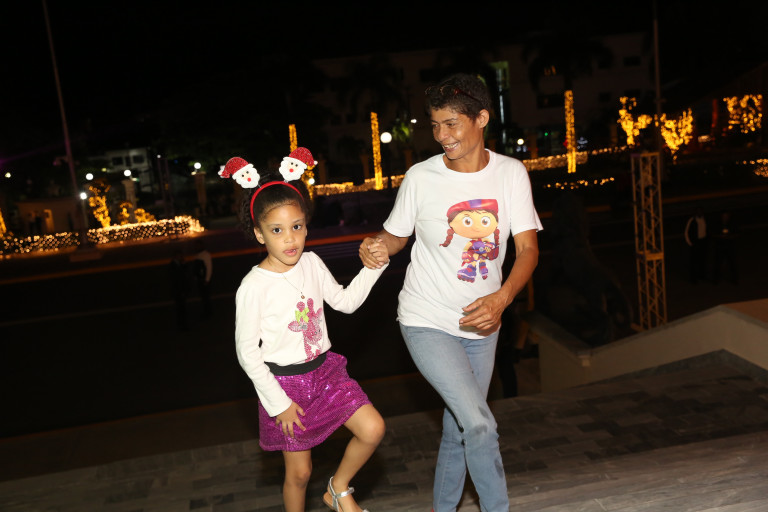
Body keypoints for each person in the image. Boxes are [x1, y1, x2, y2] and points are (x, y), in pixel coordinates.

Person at [359, 73, 542, 512]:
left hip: (483, 326)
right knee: (479, 424)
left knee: (459, 427)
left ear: (481, 118)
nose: (441, 135)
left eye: (451, 124)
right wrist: (375, 246)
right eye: (435, 125)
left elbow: (528, 250)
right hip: (427, 319)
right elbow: (396, 235)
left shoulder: (511, 174)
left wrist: (501, 299)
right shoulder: (421, 177)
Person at [225, 153, 389, 512]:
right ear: (259, 233)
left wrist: (374, 267)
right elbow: (247, 353)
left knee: (373, 428)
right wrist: (279, 404)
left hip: (326, 373)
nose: (290, 239)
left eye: (297, 226)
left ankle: (338, 488)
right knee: (299, 474)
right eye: (277, 230)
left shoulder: (312, 263)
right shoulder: (253, 286)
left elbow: (345, 302)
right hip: (286, 388)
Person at [712, 210, 739, 285]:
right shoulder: (717, 224)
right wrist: (721, 237)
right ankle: (716, 279)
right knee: (717, 264)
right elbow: (713, 234)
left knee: (732, 264)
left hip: (730, 247)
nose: (725, 218)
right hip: (720, 247)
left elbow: (737, 233)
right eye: (724, 216)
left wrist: (730, 237)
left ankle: (734, 279)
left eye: (726, 216)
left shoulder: (732, 224)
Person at [684, 207, 708, 284]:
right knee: (694, 261)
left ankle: (702, 275)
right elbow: (686, 232)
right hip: (695, 242)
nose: (700, 213)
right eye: (698, 211)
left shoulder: (704, 219)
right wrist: (690, 243)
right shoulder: (692, 220)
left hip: (703, 241)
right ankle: (693, 278)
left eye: (701, 211)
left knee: (702, 259)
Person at [168, 248, 189, 331]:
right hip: (178, 290)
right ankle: (182, 325)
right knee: (181, 309)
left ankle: (182, 324)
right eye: (180, 256)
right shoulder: (173, 266)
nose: (181, 257)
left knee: (181, 308)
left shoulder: (177, 264)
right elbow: (177, 279)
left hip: (179, 290)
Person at [192, 239, 213, 317]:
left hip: (204, 280)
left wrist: (207, 279)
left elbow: (209, 267)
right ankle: (206, 311)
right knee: (203, 297)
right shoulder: (198, 255)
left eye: (198, 245)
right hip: (200, 279)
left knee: (206, 297)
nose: (196, 247)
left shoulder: (205, 255)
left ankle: (208, 312)